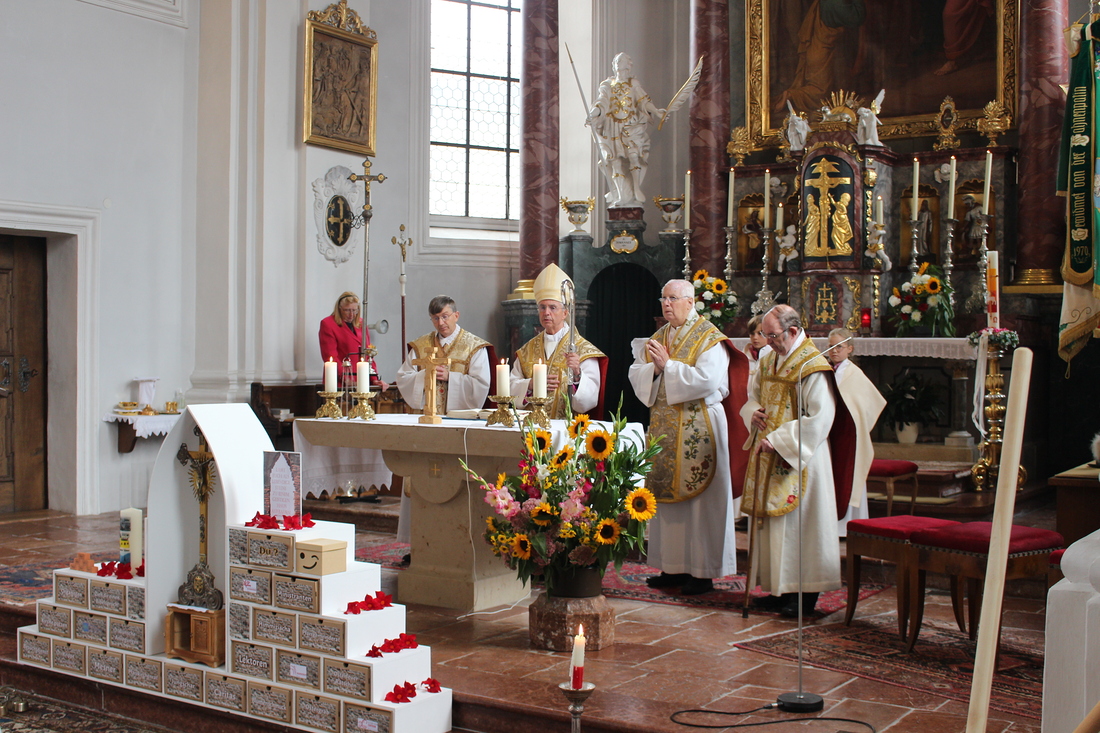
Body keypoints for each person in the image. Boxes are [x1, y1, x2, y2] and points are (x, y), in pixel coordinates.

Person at [628, 279, 749, 595]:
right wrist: (654, 371)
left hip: (701, 425)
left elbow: (708, 381)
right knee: (668, 502)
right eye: (663, 298)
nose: (666, 304)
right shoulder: (659, 336)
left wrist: (667, 366)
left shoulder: (710, 338)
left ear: (690, 302)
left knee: (701, 504)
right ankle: (672, 567)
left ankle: (702, 571)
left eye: (673, 298)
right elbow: (637, 371)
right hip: (665, 427)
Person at [740, 305, 855, 618]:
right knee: (775, 527)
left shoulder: (812, 365)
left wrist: (778, 440)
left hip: (802, 459)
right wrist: (754, 413)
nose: (767, 341)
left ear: (793, 331)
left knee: (801, 528)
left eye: (773, 335)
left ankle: (804, 596)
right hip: (767, 453)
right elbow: (752, 397)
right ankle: (778, 590)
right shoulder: (769, 359)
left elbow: (821, 417)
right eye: (765, 334)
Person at [394, 296, 493, 557]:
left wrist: (453, 378)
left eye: (446, 316)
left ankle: (460, 545)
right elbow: (403, 378)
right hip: (427, 426)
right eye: (436, 318)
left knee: (457, 484)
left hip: (458, 429)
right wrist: (424, 375)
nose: (442, 323)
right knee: (421, 482)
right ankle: (418, 546)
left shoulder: (474, 347)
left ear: (456, 315)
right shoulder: (421, 345)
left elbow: (482, 386)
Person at [511, 264, 606, 419]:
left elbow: (589, 401)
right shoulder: (526, 350)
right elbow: (509, 386)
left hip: (566, 430)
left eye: (552, 307)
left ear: (565, 313)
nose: (546, 312)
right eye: (542, 307)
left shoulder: (583, 350)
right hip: (531, 430)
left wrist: (577, 374)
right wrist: (529, 385)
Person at [825, 328, 886, 537]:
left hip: (848, 435)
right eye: (830, 346)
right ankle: (830, 527)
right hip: (830, 434)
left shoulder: (854, 374)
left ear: (849, 349)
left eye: (838, 346)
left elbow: (869, 403)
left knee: (848, 477)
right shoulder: (826, 370)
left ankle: (849, 526)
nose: (834, 351)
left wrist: (854, 422)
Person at [587, 53, 666, 208]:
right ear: (613, 65)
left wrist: (656, 111)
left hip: (630, 125)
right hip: (612, 126)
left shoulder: (633, 83)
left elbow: (643, 100)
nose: (619, 64)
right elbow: (602, 102)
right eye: (617, 61)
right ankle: (620, 194)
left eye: (622, 61)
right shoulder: (607, 84)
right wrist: (593, 114)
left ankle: (636, 188)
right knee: (614, 160)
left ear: (628, 65)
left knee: (634, 156)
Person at [318, 291, 383, 389]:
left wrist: (374, 379)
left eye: (354, 310)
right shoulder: (328, 324)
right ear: (339, 309)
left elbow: (369, 355)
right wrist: (345, 377)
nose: (351, 314)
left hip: (362, 380)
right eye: (347, 310)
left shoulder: (362, 323)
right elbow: (330, 357)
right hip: (339, 381)